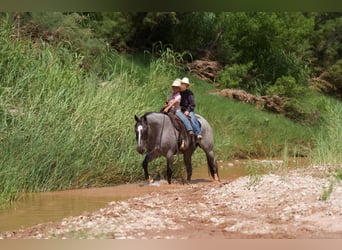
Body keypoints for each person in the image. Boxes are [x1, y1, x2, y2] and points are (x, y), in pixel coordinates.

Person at [163, 79, 193, 149]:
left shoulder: (179, 95)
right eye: (174, 87)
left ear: (179, 88)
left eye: (176, 87)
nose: (175, 88)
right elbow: (169, 102)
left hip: (176, 110)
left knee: (182, 119)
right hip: (170, 110)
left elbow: (174, 103)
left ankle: (188, 130)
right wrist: (166, 105)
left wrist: (167, 108)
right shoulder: (171, 94)